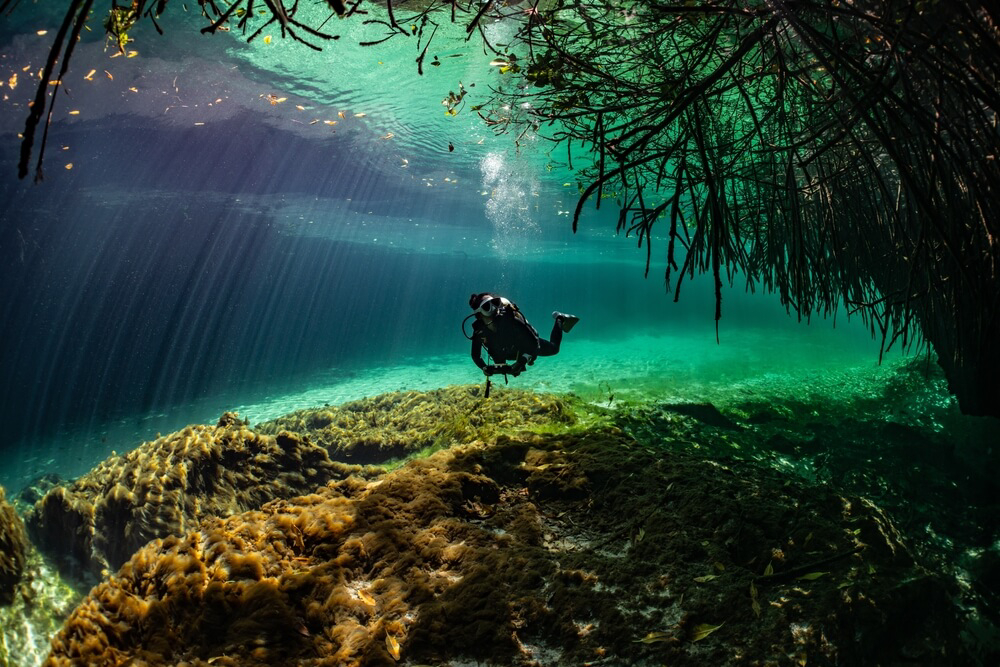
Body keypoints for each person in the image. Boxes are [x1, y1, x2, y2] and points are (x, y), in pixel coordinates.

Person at [467, 292, 579, 378]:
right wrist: (484, 368)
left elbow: (534, 343)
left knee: (554, 349)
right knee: (509, 369)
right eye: (487, 306)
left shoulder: (510, 319)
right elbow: (476, 355)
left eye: (495, 303)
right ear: (479, 314)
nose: (494, 308)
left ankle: (560, 318)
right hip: (506, 353)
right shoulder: (479, 331)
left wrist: (522, 361)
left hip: (525, 346)